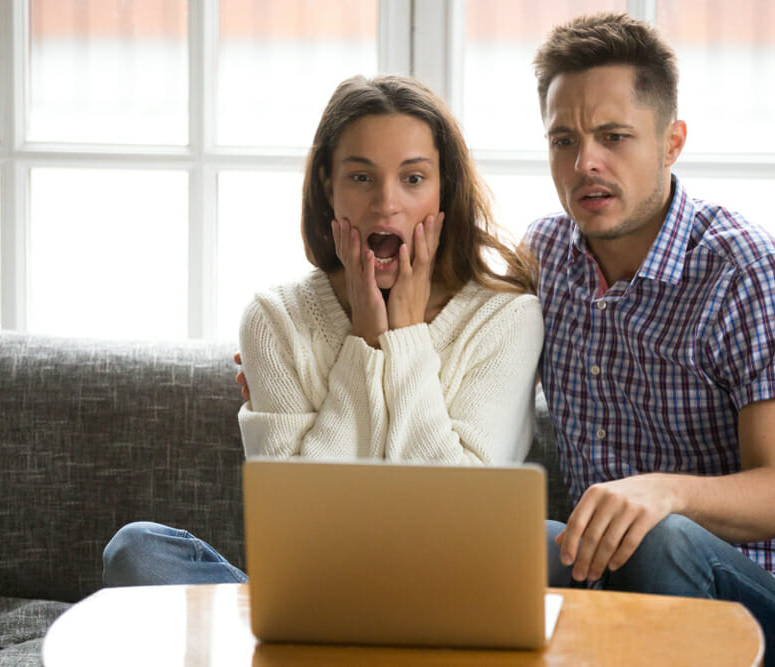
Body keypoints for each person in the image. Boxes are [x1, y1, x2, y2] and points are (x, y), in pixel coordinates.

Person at [102, 75, 544, 586]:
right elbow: (295, 529)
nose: (386, 203)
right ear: (326, 188)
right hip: (311, 593)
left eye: (414, 178)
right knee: (138, 552)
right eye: (361, 177)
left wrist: (402, 337)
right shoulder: (275, 319)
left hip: (448, 594)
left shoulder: (506, 317)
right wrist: (364, 343)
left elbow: (462, 522)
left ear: (445, 191)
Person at [526, 13, 775, 666]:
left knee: (662, 538)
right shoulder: (543, 255)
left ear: (671, 141)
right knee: (510, 543)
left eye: (613, 136)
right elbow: (440, 319)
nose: (584, 162)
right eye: (563, 139)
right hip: (619, 596)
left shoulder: (752, 271)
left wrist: (666, 491)